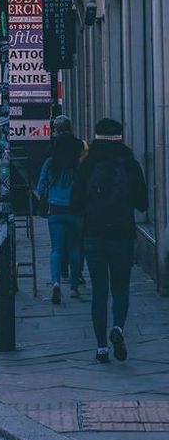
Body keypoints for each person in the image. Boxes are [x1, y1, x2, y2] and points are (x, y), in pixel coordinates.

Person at [71, 118, 148, 364]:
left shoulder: (87, 165)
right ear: (120, 137)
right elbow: (142, 204)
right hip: (122, 236)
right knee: (121, 289)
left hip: (94, 236)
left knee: (99, 292)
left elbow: (75, 203)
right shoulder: (130, 164)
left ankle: (102, 348)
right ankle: (118, 328)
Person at [36, 116, 84, 304]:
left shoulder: (50, 162)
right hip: (76, 211)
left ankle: (56, 282)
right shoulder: (79, 162)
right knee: (74, 249)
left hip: (55, 211)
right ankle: (73, 288)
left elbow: (40, 188)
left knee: (56, 249)